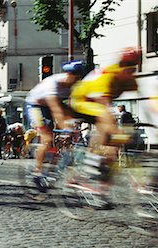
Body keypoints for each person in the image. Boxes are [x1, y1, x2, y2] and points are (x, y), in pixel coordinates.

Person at [69, 47, 141, 172]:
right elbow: (104, 106)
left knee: (110, 142)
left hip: (96, 102)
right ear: (121, 65)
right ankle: (91, 163)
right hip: (80, 100)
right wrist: (117, 132)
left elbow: (146, 97)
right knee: (107, 122)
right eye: (128, 65)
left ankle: (96, 177)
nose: (131, 69)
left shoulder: (129, 78)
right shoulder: (108, 76)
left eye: (134, 66)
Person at [24, 60, 85, 190]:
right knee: (47, 138)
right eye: (74, 77)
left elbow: (71, 107)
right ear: (67, 74)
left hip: (52, 105)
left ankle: (54, 165)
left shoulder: (74, 86)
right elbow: (56, 110)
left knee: (63, 133)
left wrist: (73, 123)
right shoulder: (53, 84)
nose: (75, 81)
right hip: (35, 105)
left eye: (78, 78)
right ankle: (37, 171)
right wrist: (65, 126)